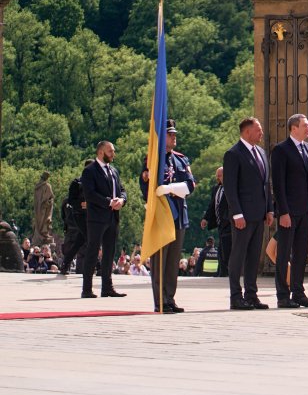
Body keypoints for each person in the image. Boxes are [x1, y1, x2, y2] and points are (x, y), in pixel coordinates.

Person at [139, 118, 195, 314]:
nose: (174, 138)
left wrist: (170, 188)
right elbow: (144, 186)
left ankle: (169, 297)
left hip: (178, 213)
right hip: (161, 214)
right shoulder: (152, 160)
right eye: (170, 135)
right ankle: (159, 300)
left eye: (174, 135)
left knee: (172, 261)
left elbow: (190, 185)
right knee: (160, 261)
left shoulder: (181, 159)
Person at [270, 113, 308, 309]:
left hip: (306, 211)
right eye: (305, 126)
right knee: (284, 254)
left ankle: (298, 293)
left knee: (301, 254)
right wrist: (282, 211)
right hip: (288, 212)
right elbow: (278, 184)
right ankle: (283, 295)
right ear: (294, 128)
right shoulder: (281, 150)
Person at [223, 117, 275, 310]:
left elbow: (265, 184)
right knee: (238, 255)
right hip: (242, 216)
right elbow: (230, 187)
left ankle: (251, 295)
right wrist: (237, 214)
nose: (261, 133)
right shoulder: (233, 154)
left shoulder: (261, 152)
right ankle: (236, 296)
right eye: (258, 130)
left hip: (259, 213)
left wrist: (269, 208)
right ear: (246, 132)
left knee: (254, 256)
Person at [79, 141, 127, 299]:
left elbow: (122, 189)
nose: (113, 154)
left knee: (109, 253)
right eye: (110, 151)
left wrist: (122, 200)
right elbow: (90, 194)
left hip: (113, 217)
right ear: (101, 152)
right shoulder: (89, 171)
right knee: (92, 252)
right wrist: (108, 201)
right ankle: (87, 289)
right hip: (97, 218)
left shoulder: (114, 171)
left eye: (113, 151)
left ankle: (107, 287)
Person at [59, 161, 92, 275]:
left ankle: (66, 263)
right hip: (79, 216)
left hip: (91, 217)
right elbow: (71, 200)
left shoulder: (94, 183)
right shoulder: (77, 183)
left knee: (80, 241)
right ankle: (97, 265)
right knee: (90, 239)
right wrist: (81, 204)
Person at [200, 167, 231, 278]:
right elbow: (211, 206)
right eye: (217, 175)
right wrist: (205, 218)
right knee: (221, 248)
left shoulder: (231, 188)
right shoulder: (215, 189)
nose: (217, 177)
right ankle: (222, 272)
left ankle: (227, 272)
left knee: (226, 248)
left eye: (220, 175)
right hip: (220, 224)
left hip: (229, 224)